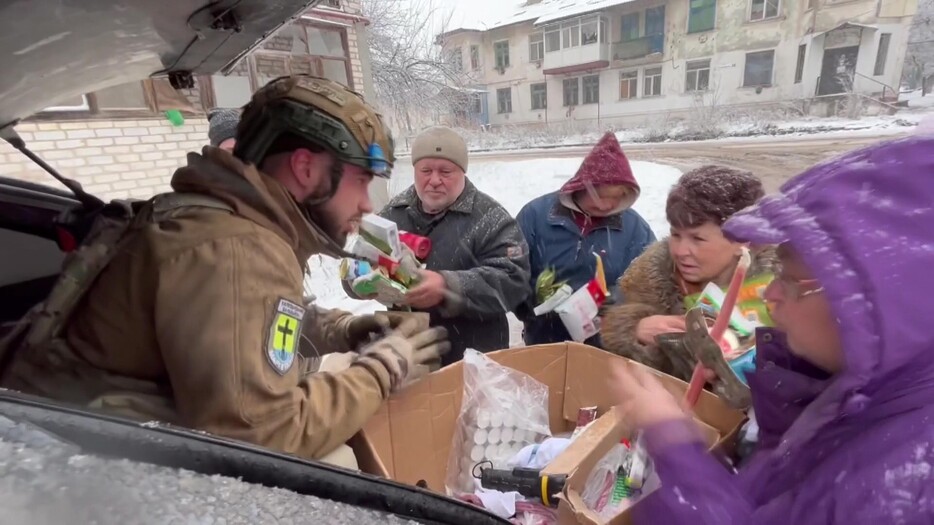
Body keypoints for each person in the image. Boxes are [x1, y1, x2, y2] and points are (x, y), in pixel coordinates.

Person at [0, 76, 450, 468]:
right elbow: (259, 436)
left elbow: (248, 326)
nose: (368, 203)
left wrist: (342, 330)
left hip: (60, 429)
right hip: (63, 460)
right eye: (360, 180)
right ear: (306, 167)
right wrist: (380, 370)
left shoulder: (227, 221)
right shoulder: (236, 248)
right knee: (337, 460)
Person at [611, 135, 934, 524]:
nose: (773, 294)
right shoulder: (854, 390)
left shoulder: (896, 485)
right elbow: (780, 476)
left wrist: (677, 446)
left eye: (698, 237)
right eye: (676, 235)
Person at [348, 126, 530, 365]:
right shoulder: (393, 214)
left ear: (462, 172)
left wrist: (448, 287)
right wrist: (361, 280)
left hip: (473, 362)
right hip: (407, 359)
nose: (434, 180)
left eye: (446, 171)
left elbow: (513, 281)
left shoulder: (491, 219)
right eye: (425, 170)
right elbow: (356, 263)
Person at [601, 165, 777, 381]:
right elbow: (614, 351)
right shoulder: (651, 276)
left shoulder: (784, 284)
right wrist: (634, 329)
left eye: (697, 239)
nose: (680, 251)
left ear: (743, 240)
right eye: (675, 234)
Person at [516, 132, 654, 346]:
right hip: (545, 338)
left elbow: (650, 282)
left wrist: (618, 300)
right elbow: (512, 272)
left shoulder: (635, 228)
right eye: (599, 195)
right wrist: (531, 304)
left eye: (616, 197)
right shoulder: (535, 215)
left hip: (606, 343)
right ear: (581, 186)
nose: (605, 205)